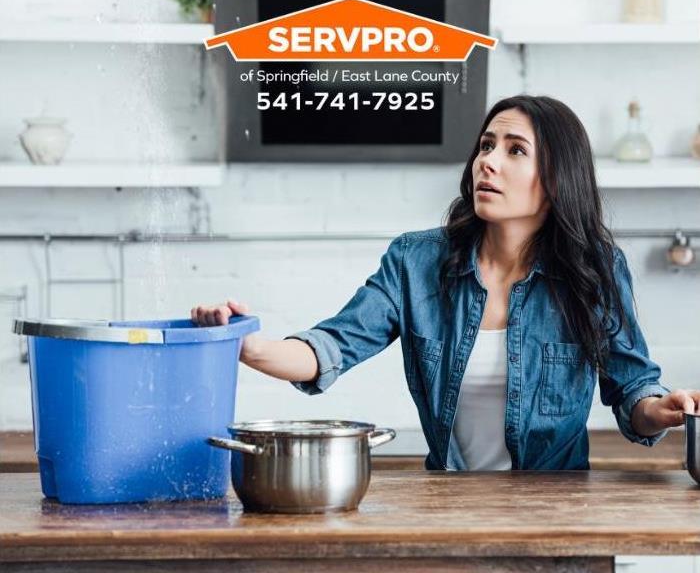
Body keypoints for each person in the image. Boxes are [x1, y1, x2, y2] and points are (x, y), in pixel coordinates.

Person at [191, 94, 700, 471]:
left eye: (515, 150)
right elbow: (331, 346)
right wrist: (245, 346)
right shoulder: (416, 261)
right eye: (486, 145)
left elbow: (634, 392)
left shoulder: (596, 269)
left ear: (557, 178)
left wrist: (667, 410)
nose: (489, 161)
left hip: (559, 507)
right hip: (450, 500)